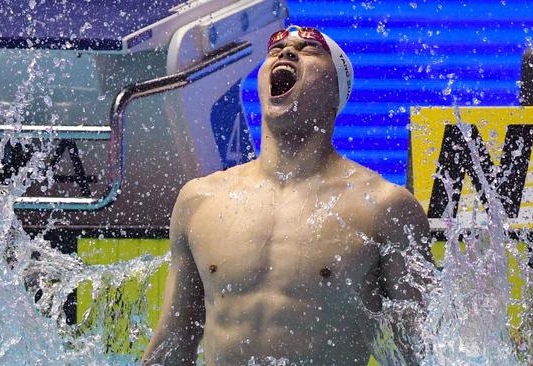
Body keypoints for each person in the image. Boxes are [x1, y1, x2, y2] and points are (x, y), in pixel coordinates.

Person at [142, 25, 432, 366]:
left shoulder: (384, 207)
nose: (286, 52)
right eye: (275, 49)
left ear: (337, 89)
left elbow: (417, 354)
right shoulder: (200, 200)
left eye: (309, 49)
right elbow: (172, 345)